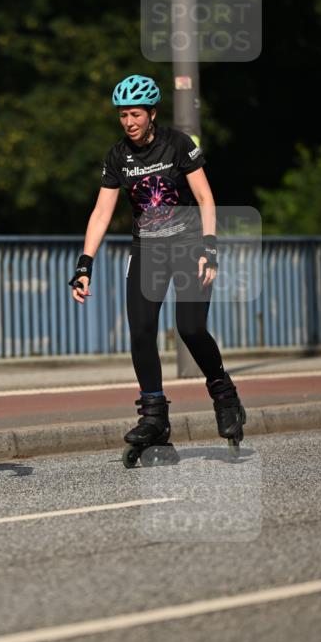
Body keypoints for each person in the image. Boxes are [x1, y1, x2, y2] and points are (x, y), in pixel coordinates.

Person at [70, 74, 245, 463]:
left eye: (135, 114)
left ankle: (224, 394)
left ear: (152, 113)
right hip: (148, 252)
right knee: (142, 329)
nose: (128, 122)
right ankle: (154, 416)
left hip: (188, 248)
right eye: (122, 115)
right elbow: (101, 213)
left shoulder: (178, 144)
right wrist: (84, 265)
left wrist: (210, 248)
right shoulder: (117, 156)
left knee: (191, 328)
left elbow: (205, 197)